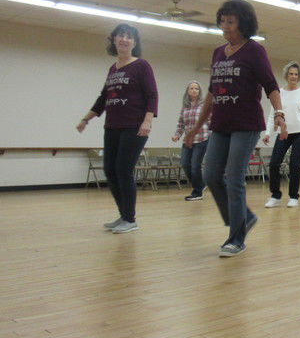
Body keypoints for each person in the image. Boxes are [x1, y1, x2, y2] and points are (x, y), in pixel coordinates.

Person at [184, 0, 287, 257]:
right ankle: (245, 218)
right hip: (220, 124)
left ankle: (236, 237)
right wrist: (197, 127)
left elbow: (270, 84)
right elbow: (211, 93)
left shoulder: (254, 51)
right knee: (210, 176)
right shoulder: (218, 53)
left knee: (233, 177)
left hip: (246, 123)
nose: (225, 27)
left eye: (231, 22)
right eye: (222, 21)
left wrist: (279, 113)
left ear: (243, 23)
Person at [76, 23, 158, 234]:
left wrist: (147, 121)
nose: (124, 39)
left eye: (129, 36)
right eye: (120, 35)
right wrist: (86, 119)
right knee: (110, 170)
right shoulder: (113, 69)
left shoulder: (141, 65)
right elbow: (104, 98)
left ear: (134, 42)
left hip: (134, 127)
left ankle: (130, 220)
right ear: (114, 40)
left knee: (123, 170)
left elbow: (152, 95)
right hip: (112, 126)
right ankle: (123, 215)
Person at [263, 61, 300, 208]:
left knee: (295, 165)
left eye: (296, 74)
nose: (293, 76)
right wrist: (268, 132)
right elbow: (272, 115)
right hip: (283, 133)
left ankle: (294, 196)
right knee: (274, 163)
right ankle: (275, 195)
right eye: (291, 74)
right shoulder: (278, 92)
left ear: (299, 77)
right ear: (286, 75)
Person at [171, 80, 210, 201]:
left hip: (202, 138)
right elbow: (181, 123)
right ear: (188, 91)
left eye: (196, 89)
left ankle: (197, 192)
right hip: (188, 141)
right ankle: (201, 184)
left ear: (200, 92)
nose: (194, 90)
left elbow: (211, 122)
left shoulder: (205, 105)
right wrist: (177, 135)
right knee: (184, 163)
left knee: (195, 165)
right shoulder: (185, 107)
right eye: (191, 88)